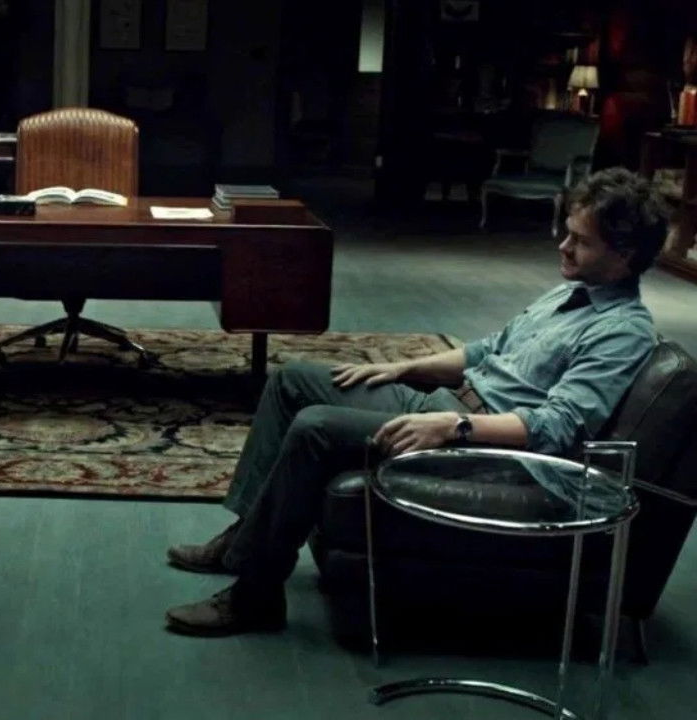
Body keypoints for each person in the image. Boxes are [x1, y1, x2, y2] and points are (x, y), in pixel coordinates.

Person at [163, 167, 671, 636]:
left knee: (316, 426)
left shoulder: (622, 332)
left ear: (624, 255)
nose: (563, 246)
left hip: (485, 446)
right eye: (567, 233)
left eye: (581, 241)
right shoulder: (568, 293)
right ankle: (242, 538)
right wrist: (403, 368)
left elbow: (557, 428)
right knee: (292, 380)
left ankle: (255, 594)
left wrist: (453, 427)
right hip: (451, 406)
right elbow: (486, 351)